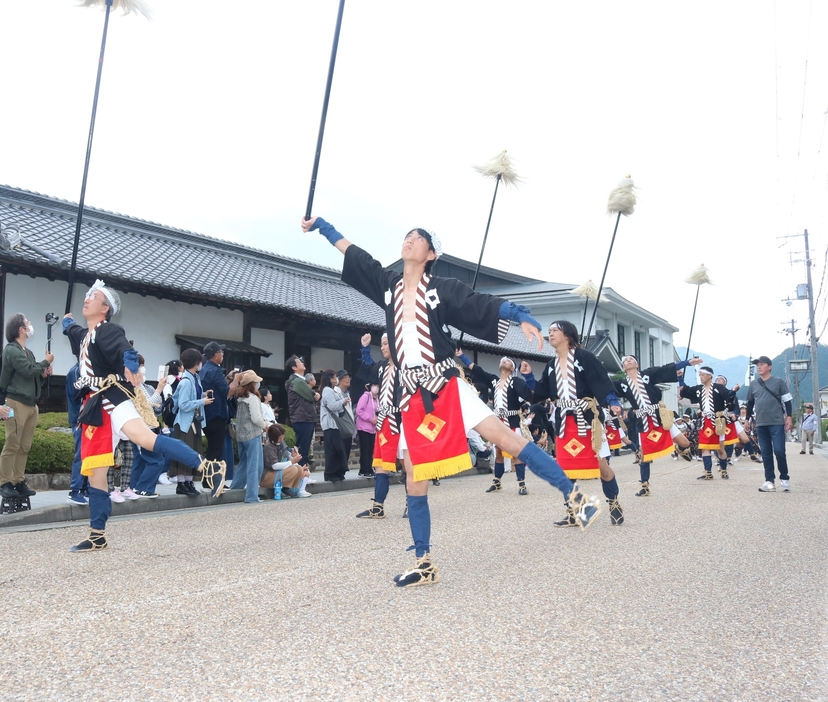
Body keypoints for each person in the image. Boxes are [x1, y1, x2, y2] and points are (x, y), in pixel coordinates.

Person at [303, 215, 602, 587]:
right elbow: (357, 255)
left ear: (430, 253)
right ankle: (424, 561)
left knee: (504, 438)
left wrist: (522, 315)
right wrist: (324, 227)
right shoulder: (388, 285)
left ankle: (574, 495)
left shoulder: (440, 288)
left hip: (444, 382)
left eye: (417, 238)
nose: (409, 240)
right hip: (412, 392)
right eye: (406, 236)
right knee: (413, 472)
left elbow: (481, 304)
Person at [63, 280, 225, 551]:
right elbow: (74, 331)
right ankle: (97, 535)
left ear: (105, 308)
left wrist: (130, 365)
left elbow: (125, 348)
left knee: (147, 440)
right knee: (96, 474)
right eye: (87, 295)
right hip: (94, 409)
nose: (87, 298)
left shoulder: (107, 329)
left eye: (94, 296)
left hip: (110, 400)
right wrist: (67, 324)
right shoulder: (85, 335)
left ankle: (208, 467)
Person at [528, 320, 625, 526]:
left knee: (602, 466)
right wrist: (528, 377)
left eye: (555, 330)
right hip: (564, 421)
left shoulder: (584, 357)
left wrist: (612, 401)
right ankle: (576, 512)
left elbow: (600, 380)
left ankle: (614, 502)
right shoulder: (551, 364)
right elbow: (542, 391)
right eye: (550, 330)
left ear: (567, 335)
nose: (550, 334)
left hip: (587, 419)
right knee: (564, 470)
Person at [613, 354, 701, 496]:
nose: (628, 361)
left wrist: (688, 363)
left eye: (631, 359)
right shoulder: (622, 384)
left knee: (685, 443)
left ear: (637, 364)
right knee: (644, 456)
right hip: (643, 420)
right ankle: (644, 486)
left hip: (659, 417)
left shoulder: (647, 374)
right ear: (623, 367)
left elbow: (665, 369)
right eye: (625, 361)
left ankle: (678, 449)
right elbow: (604, 387)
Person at [456, 351, 533, 496]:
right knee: (498, 452)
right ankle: (497, 481)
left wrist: (528, 380)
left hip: (512, 421)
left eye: (507, 360)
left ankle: (522, 483)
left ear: (512, 369)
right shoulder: (494, 381)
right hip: (499, 422)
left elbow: (528, 394)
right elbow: (477, 370)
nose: (504, 361)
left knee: (516, 452)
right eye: (502, 360)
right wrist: (461, 356)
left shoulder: (515, 382)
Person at [0, 313, 54, 500]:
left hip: (31, 404)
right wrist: (46, 361)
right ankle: (5, 482)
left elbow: (32, 375)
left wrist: (43, 374)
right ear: (20, 329)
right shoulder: (12, 350)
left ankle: (18, 480)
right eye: (27, 323)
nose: (30, 325)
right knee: (12, 443)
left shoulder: (27, 352)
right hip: (14, 402)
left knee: (24, 445)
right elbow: (28, 369)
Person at [354, 332, 402, 518]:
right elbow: (369, 368)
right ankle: (378, 506)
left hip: (401, 419)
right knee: (381, 464)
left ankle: (412, 502)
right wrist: (365, 349)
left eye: (385, 344)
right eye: (381, 344)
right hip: (384, 420)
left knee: (407, 464)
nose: (382, 347)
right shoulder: (382, 367)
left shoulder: (405, 366)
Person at [680, 366, 750, 480]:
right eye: (700, 375)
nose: (701, 377)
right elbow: (685, 390)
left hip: (718, 421)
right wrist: (680, 378)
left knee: (720, 448)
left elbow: (728, 396)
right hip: (705, 421)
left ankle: (723, 470)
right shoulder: (699, 389)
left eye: (703, 374)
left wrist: (733, 391)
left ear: (710, 375)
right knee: (704, 447)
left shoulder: (718, 388)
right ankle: (708, 472)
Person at [746, 356, 793, 492]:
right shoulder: (754, 384)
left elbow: (787, 400)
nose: (759, 367)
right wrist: (747, 420)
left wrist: (789, 417)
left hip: (777, 422)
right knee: (766, 453)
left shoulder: (779, 382)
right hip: (760, 423)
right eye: (757, 365)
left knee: (779, 451)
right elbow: (750, 403)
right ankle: (769, 481)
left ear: (769, 367)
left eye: (762, 364)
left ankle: (785, 478)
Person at [199, 341, 240, 480]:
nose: (222, 354)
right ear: (215, 354)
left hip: (208, 414)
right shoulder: (215, 370)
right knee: (215, 450)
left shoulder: (205, 369)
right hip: (217, 414)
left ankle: (208, 480)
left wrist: (227, 379)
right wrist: (236, 380)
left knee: (212, 448)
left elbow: (218, 388)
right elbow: (228, 392)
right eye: (221, 352)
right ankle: (211, 480)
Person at [229, 370, 267, 503]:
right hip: (253, 434)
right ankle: (252, 496)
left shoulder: (240, 398)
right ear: (252, 384)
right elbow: (256, 418)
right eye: (256, 382)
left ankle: (234, 490)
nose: (258, 384)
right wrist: (265, 425)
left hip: (241, 435)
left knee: (243, 464)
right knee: (255, 466)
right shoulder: (253, 398)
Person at [285, 355, 319, 466]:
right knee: (302, 449)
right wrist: (315, 394)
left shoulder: (299, 381)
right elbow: (311, 396)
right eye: (299, 362)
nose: (302, 363)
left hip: (305, 418)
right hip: (303, 418)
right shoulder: (297, 381)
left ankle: (302, 474)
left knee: (304, 448)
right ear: (294, 368)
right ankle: (300, 474)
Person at [261, 423, 311, 497]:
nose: (282, 440)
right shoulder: (269, 447)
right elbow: (274, 466)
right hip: (267, 475)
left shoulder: (280, 443)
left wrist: (292, 456)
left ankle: (299, 490)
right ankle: (291, 490)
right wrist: (292, 462)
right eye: (279, 438)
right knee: (294, 469)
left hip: (277, 472)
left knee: (301, 469)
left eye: (282, 437)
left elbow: (285, 457)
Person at [318, 369, 349, 482]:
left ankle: (335, 472)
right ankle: (331, 473)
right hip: (330, 424)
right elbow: (332, 406)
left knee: (335, 449)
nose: (336, 380)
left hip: (332, 423)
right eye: (335, 377)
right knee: (334, 449)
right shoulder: (328, 391)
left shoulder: (329, 391)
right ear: (330, 379)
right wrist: (342, 401)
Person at [66, 362, 90, 506]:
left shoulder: (90, 370)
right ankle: (75, 490)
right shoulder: (75, 372)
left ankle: (86, 488)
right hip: (80, 419)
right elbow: (77, 396)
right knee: (81, 455)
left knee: (90, 454)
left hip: (91, 418)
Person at [355, 376, 379, 477]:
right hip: (363, 427)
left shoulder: (378, 399)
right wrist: (370, 418)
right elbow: (359, 410)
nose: (376, 388)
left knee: (370, 449)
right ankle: (364, 469)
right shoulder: (365, 396)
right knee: (365, 449)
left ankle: (369, 468)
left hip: (373, 428)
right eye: (374, 385)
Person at [335, 369, 356, 465]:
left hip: (347, 424)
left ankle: (343, 468)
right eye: (345, 377)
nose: (348, 379)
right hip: (339, 424)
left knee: (347, 448)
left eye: (349, 377)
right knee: (340, 448)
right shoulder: (335, 392)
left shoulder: (347, 393)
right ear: (339, 380)